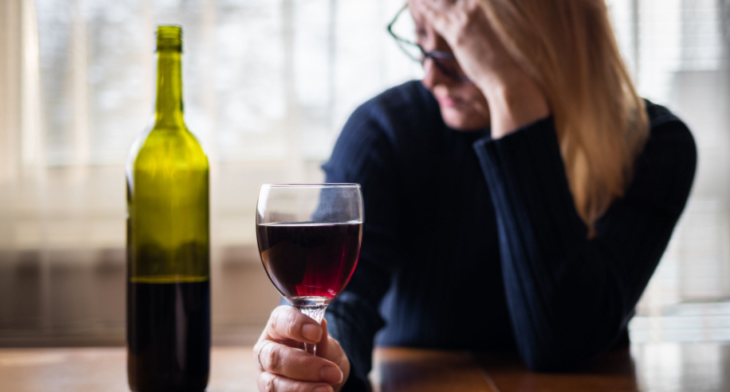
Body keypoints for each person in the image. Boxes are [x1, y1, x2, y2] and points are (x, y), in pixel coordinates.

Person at [253, 0, 697, 391]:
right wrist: (318, 365)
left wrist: (513, 97)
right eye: (422, 41)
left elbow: (559, 344)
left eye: (457, 49)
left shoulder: (655, 146)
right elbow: (345, 301)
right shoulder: (385, 132)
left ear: (544, 38)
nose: (431, 75)